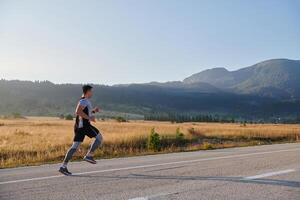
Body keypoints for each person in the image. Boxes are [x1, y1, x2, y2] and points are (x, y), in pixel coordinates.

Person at [59, 85, 102, 175]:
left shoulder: (85, 101)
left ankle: (63, 167)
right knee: (99, 138)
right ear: (87, 91)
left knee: (74, 147)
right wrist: (89, 118)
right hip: (85, 126)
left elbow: (85, 112)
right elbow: (78, 112)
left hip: (79, 127)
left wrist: (94, 111)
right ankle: (89, 155)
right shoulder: (83, 101)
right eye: (91, 91)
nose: (92, 93)